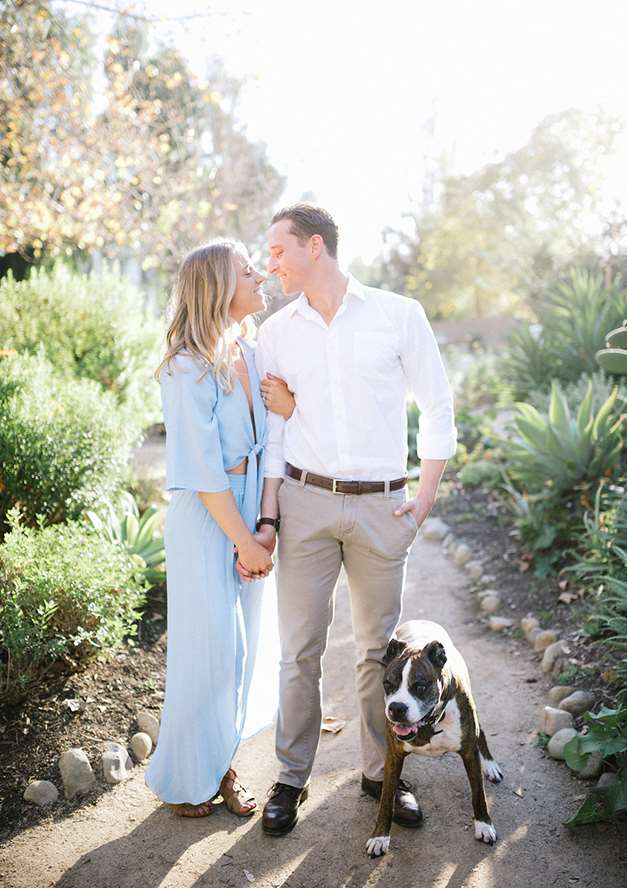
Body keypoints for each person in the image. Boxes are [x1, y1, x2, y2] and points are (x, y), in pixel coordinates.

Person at [250, 204, 457, 835]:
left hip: (381, 505)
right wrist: (271, 511)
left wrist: (420, 503)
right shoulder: (276, 332)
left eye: (279, 251)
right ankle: (289, 779)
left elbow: (438, 405)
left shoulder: (399, 315)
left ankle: (382, 776)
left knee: (377, 653)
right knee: (298, 652)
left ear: (317, 247)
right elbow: (278, 431)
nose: (270, 264)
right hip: (306, 503)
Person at [145, 239, 294, 818]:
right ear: (215, 288)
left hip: (249, 512)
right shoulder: (186, 366)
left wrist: (265, 524)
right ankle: (185, 778)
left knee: (243, 651)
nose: (260, 275)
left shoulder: (252, 353)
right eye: (246, 270)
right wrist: (243, 540)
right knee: (206, 651)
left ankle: (222, 765)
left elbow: (274, 434)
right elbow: (204, 472)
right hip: (208, 518)